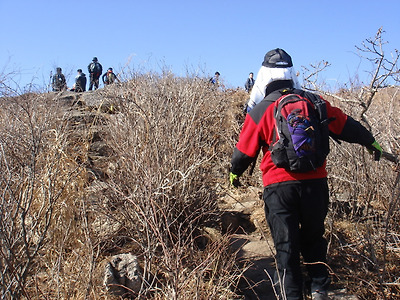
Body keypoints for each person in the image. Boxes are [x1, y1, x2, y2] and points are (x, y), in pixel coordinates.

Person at [229, 48, 383, 300]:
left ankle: (292, 295)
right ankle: (320, 287)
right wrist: (370, 141)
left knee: (286, 247)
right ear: (291, 73)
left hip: (279, 188)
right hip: (315, 184)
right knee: (314, 238)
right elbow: (345, 125)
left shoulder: (261, 110)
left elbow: (243, 152)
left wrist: (234, 173)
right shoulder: (315, 101)